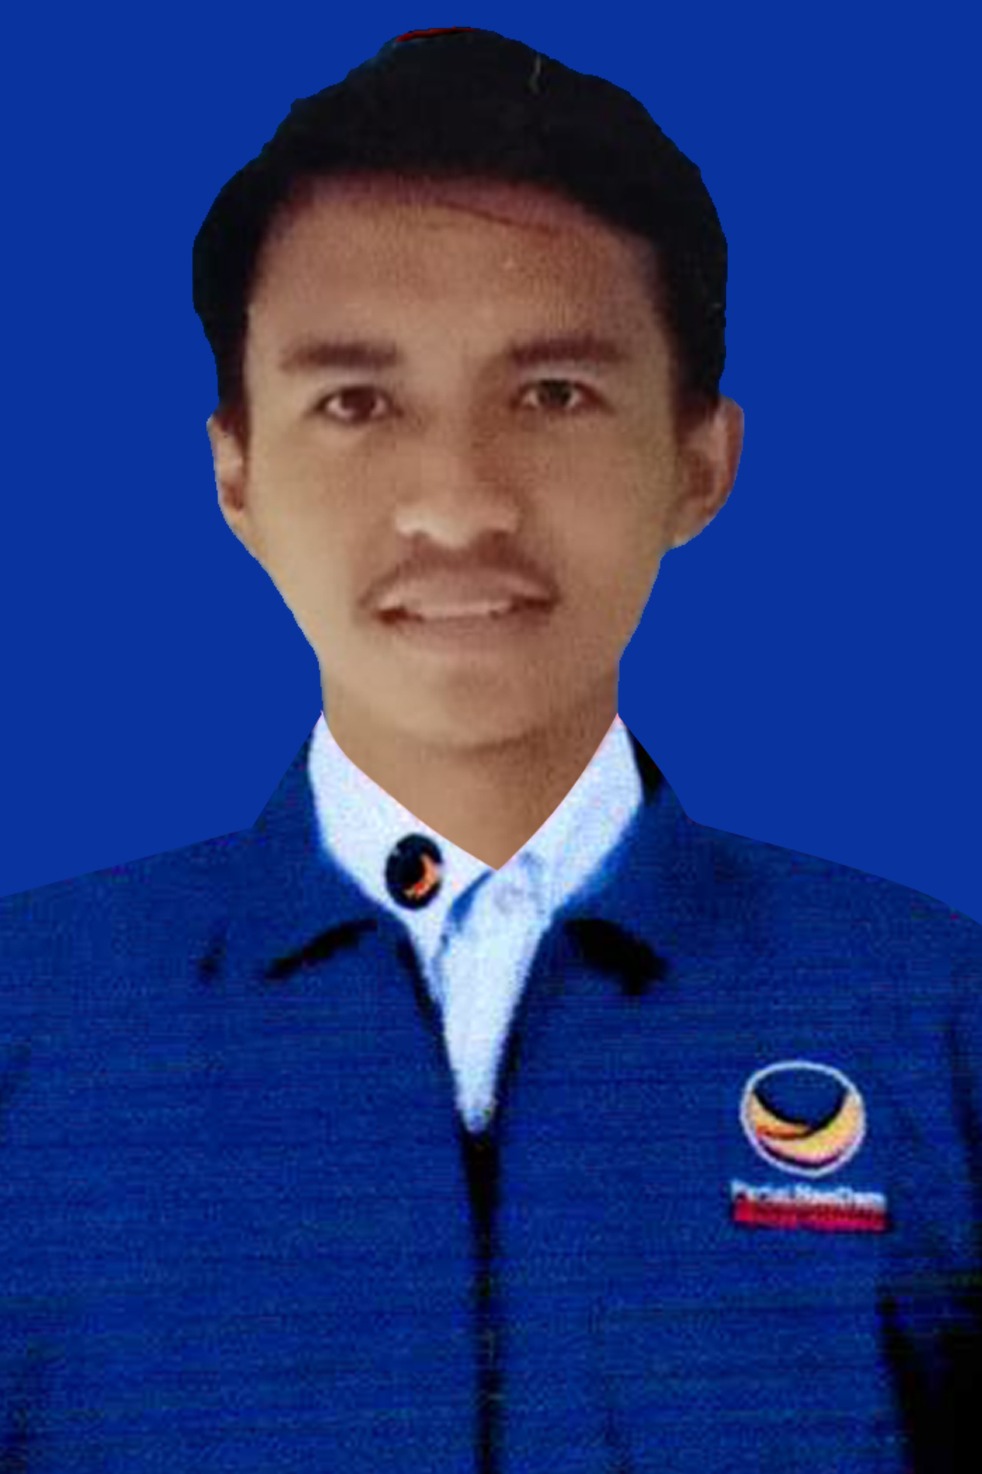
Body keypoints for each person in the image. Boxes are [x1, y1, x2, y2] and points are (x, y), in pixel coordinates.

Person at [0, 25, 979, 1474]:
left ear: (700, 460)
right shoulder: (31, 1028)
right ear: (236, 473)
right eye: (356, 402)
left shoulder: (931, 1020)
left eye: (552, 395)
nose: (457, 504)